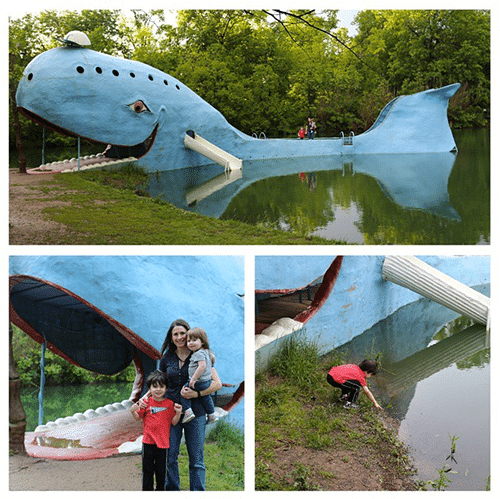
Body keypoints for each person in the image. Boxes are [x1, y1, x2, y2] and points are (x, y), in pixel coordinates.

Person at [148, 318, 222, 491]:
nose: (180, 337)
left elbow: (217, 383)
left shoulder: (201, 354)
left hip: (196, 412)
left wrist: (197, 393)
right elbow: (159, 384)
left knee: (196, 459)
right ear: (171, 337)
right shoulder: (166, 359)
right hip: (171, 413)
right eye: (176, 334)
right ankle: (173, 490)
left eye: (183, 333)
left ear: (189, 335)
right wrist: (144, 399)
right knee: (169, 456)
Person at [130, 370, 182, 491]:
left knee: (161, 473)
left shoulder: (170, 404)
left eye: (161, 386)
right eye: (155, 386)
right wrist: (133, 410)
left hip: (163, 444)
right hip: (148, 442)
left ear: (166, 388)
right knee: (147, 471)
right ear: (149, 388)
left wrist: (178, 413)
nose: (158, 390)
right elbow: (138, 418)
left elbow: (174, 422)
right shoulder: (145, 403)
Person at [181, 327, 218, 424]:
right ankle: (211, 415)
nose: (191, 343)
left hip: (198, 382)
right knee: (206, 397)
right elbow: (212, 358)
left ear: (202, 342)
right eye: (188, 341)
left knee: (184, 392)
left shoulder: (198, 353)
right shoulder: (207, 352)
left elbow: (202, 366)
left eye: (194, 340)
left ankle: (188, 412)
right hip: (207, 382)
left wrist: (193, 379)